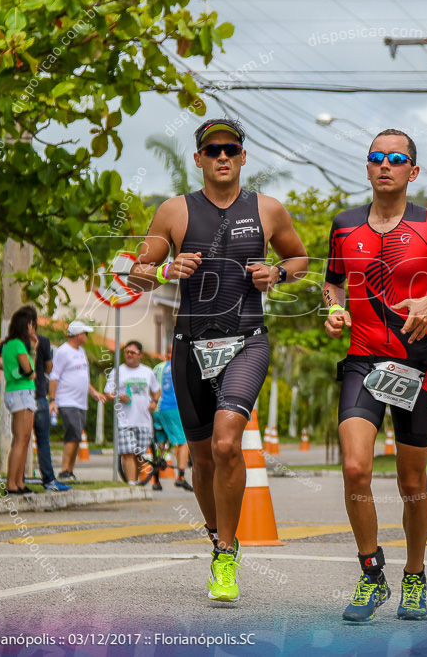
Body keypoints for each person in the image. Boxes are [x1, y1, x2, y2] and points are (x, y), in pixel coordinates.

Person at [128, 117, 308, 603]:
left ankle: (225, 553)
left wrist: (278, 273)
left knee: (229, 443)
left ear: (243, 156)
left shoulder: (268, 210)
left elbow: (299, 258)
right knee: (203, 460)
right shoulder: (173, 212)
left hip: (246, 341)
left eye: (230, 148)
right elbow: (137, 275)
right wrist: (166, 267)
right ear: (199, 159)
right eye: (212, 150)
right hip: (189, 345)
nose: (222, 156)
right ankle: (218, 538)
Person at [323, 128, 427, 622]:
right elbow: (332, 284)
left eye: (395, 158)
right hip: (362, 362)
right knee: (355, 468)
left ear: (413, 170)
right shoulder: (344, 225)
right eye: (375, 158)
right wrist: (334, 311)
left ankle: (414, 575)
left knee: (413, 483)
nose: (384, 165)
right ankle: (372, 574)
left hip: (415, 367)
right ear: (367, 168)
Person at [49, 320, 106, 481]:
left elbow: (83, 377)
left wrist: (94, 392)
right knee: (72, 434)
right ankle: (64, 469)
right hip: (67, 400)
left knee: (77, 436)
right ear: (77, 335)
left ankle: (70, 469)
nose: (86, 336)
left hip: (81, 402)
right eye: (84, 333)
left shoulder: (81, 352)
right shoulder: (63, 351)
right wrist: (53, 400)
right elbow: (54, 377)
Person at [103, 341, 161, 482]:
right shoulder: (117, 371)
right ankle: (132, 484)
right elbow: (107, 393)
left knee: (139, 455)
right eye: (127, 352)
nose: (129, 355)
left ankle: (138, 483)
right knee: (128, 453)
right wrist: (119, 396)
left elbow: (157, 390)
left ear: (139, 355)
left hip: (144, 421)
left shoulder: (147, 372)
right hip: (125, 420)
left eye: (132, 352)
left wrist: (154, 402)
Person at [0, 307, 40, 494]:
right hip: (21, 392)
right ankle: (12, 483)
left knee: (24, 439)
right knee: (21, 440)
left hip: (18, 392)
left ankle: (19, 482)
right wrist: (33, 352)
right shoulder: (17, 345)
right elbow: (29, 371)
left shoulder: (8, 344)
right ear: (27, 325)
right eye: (32, 324)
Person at [153, 344, 193, 491]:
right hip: (171, 408)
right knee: (183, 442)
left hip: (156, 410)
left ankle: (156, 480)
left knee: (160, 444)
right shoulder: (179, 367)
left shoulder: (157, 367)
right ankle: (181, 477)